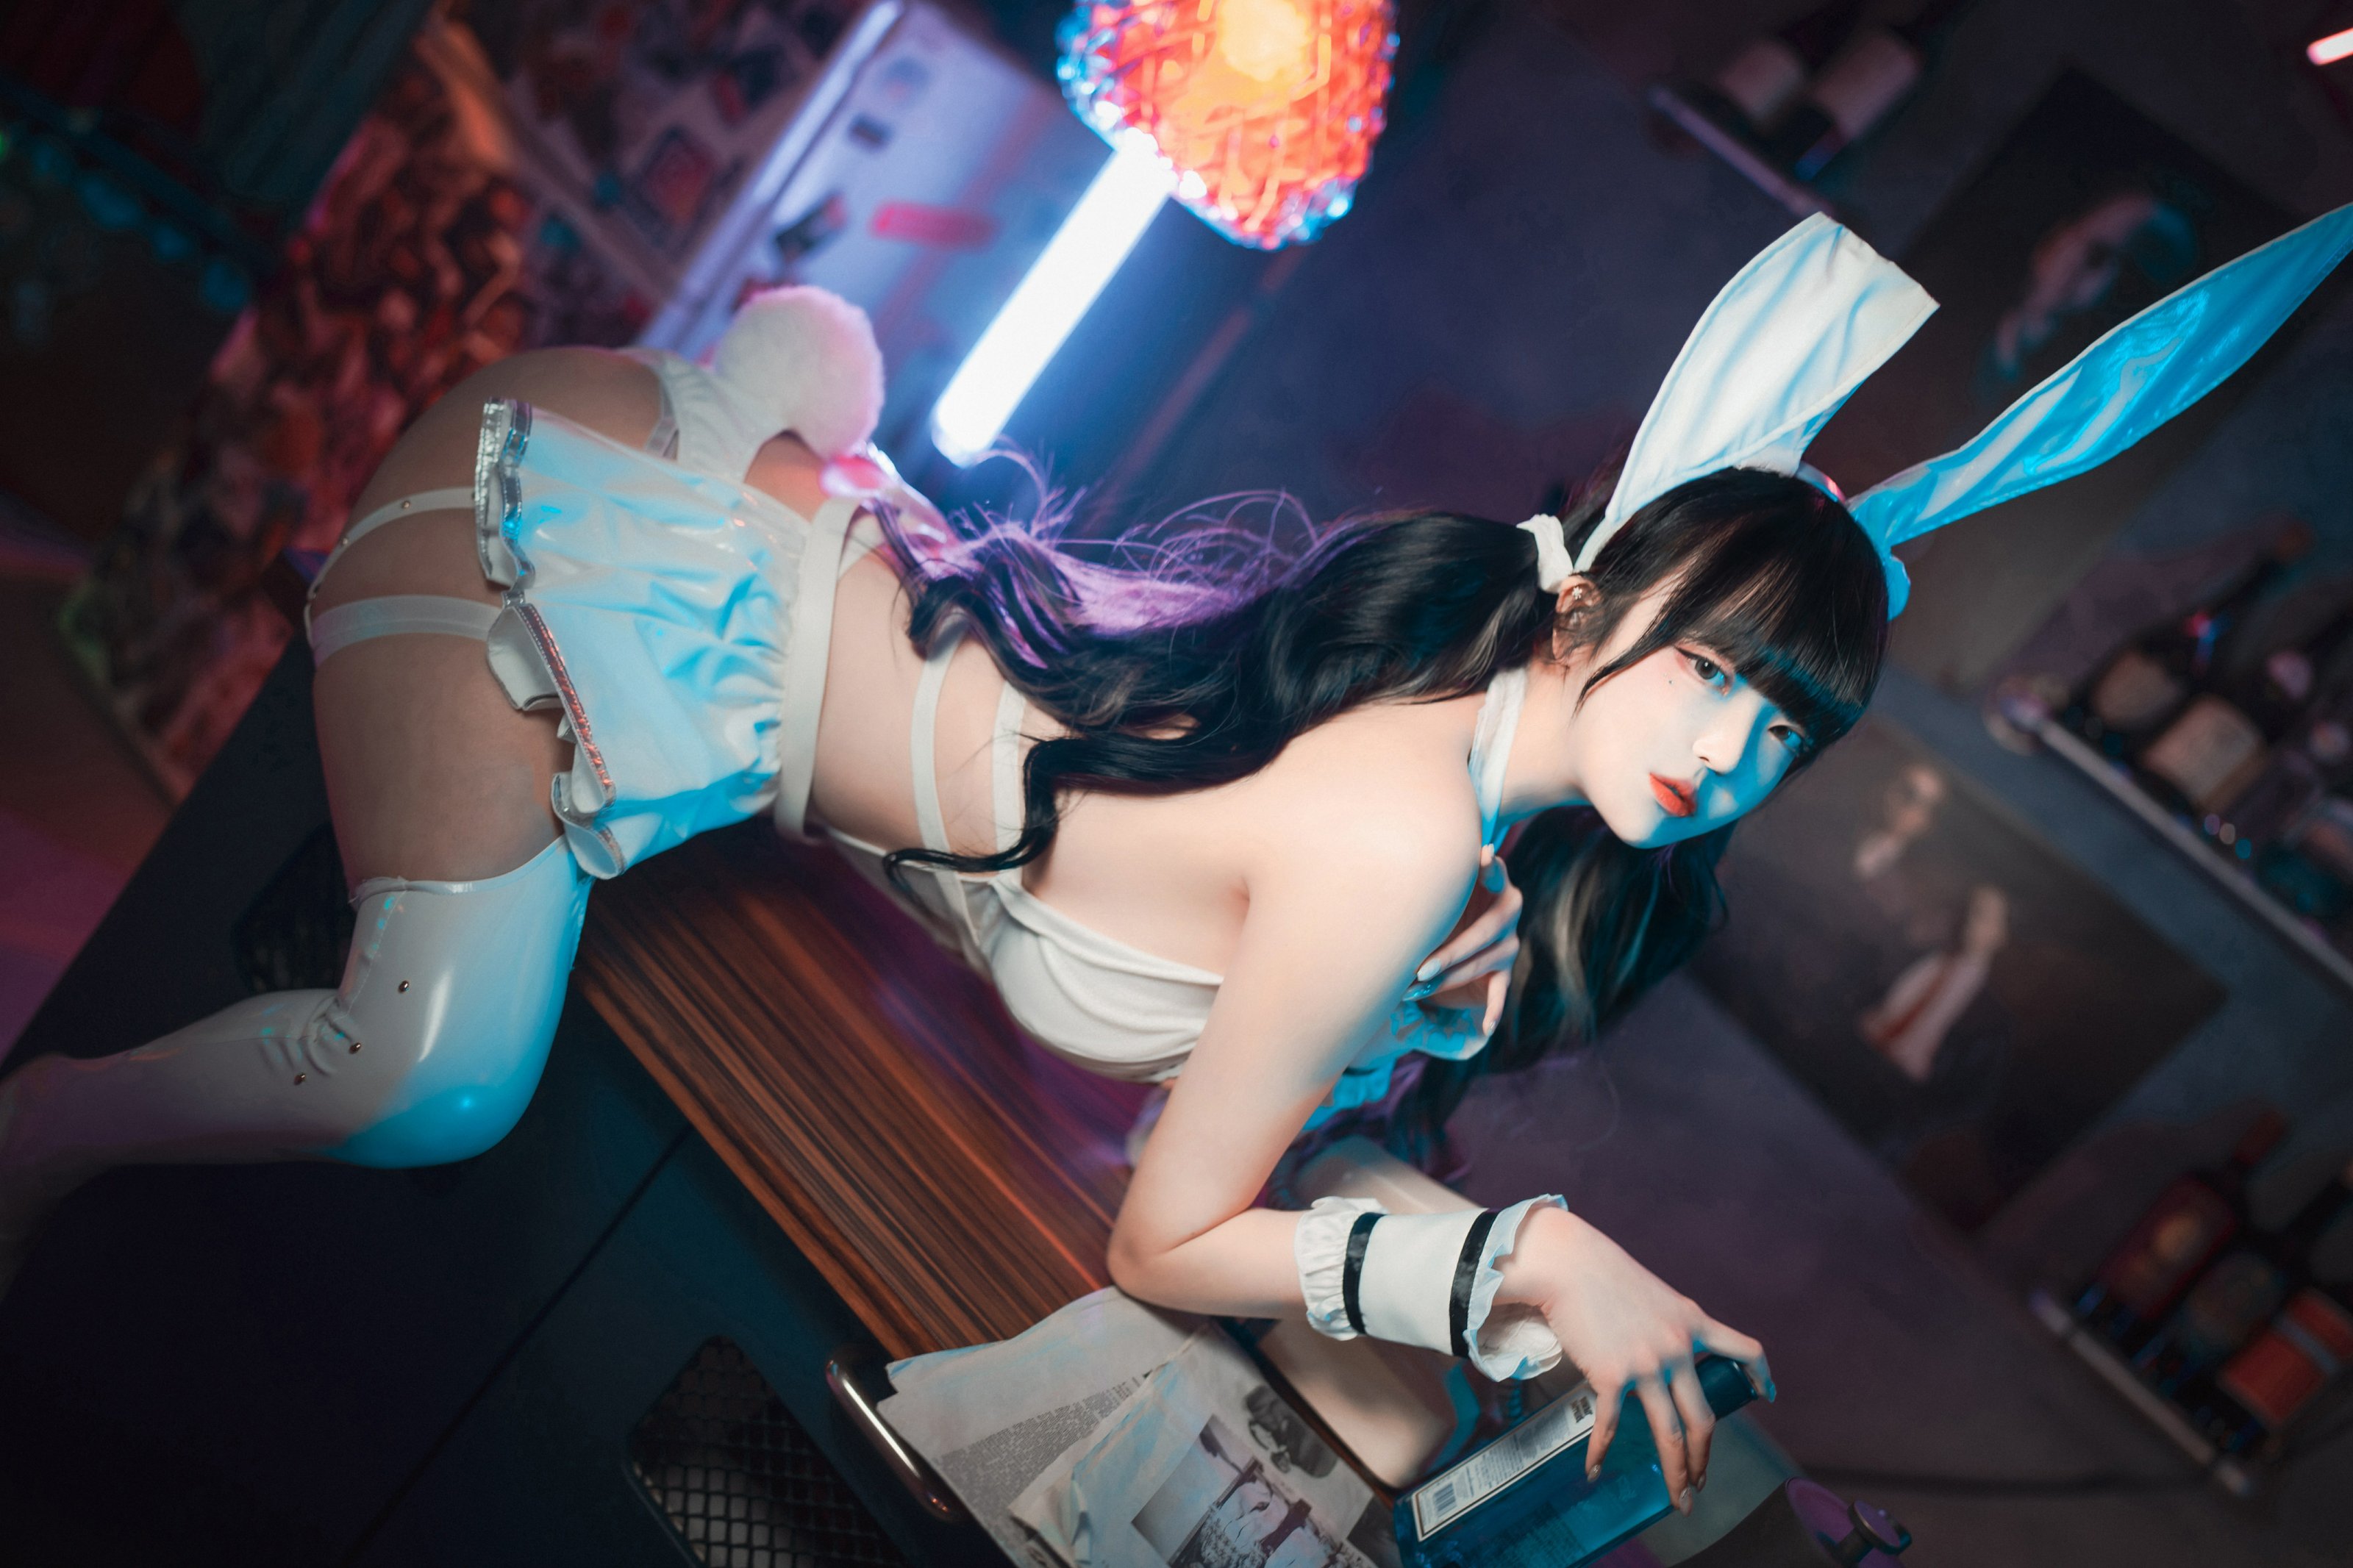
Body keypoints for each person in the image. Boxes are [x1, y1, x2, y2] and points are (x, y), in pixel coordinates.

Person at [4, 202, 2349, 1517]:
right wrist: (1537, 1252)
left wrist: (1492, 1272)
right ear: (1609, 601)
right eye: (1723, 679)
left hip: (789, 512)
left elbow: (1305, 1221)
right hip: (612, 549)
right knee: (426, 1071)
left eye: (1788, 734)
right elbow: (1168, 1230)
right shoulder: (1401, 818)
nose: (1735, 757)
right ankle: (36, 1131)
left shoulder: (1455, 809)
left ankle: (806, 378)